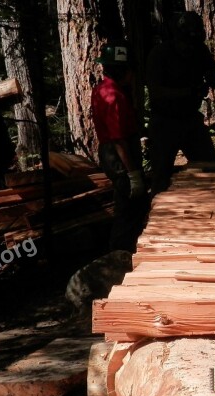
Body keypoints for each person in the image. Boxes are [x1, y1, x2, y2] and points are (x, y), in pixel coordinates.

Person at [146, 11, 215, 194]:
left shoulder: (200, 51)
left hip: (191, 120)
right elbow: (156, 92)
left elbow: (214, 78)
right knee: (161, 177)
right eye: (186, 41)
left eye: (193, 40)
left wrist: (211, 76)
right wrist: (187, 92)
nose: (189, 47)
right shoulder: (160, 54)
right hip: (164, 122)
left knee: (212, 169)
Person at [91, 42, 148, 253]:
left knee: (134, 206)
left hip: (113, 153)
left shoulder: (101, 89)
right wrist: (132, 173)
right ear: (124, 70)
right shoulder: (114, 97)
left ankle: (128, 249)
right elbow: (118, 139)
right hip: (119, 156)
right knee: (128, 207)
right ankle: (119, 253)